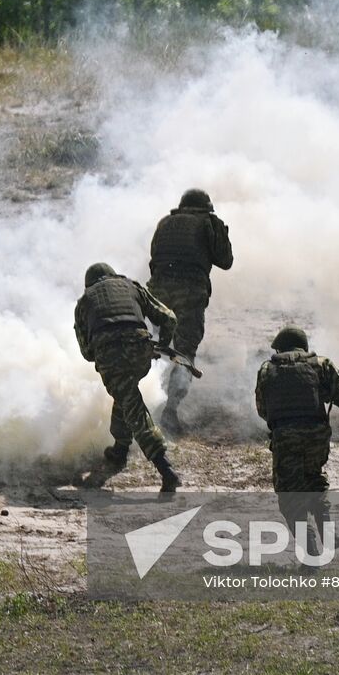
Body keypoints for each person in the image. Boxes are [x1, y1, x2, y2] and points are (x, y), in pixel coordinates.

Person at [74, 263, 183, 493]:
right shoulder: (132, 287)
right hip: (140, 349)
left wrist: (106, 353)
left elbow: (86, 353)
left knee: (131, 403)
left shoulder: (84, 302)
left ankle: (166, 470)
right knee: (127, 395)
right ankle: (120, 449)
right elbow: (170, 318)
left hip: (110, 356)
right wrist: (161, 345)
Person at [254, 325, 339, 554]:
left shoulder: (267, 369)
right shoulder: (321, 364)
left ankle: (311, 552)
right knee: (314, 480)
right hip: (316, 437)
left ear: (280, 347)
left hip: (286, 438)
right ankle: (327, 532)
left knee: (289, 496)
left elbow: (262, 410)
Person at [146, 188, 233, 435]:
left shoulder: (165, 223)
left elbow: (154, 258)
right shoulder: (207, 223)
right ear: (205, 207)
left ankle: (145, 401)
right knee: (184, 353)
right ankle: (170, 411)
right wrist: (220, 230)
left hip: (157, 293)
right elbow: (225, 261)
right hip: (189, 293)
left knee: (156, 348)